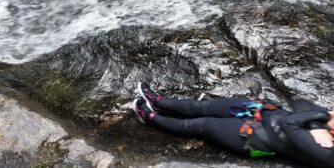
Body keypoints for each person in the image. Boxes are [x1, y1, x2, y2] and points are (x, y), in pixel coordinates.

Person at [133, 81, 334, 167]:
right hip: (260, 111)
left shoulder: (327, 155)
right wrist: (317, 125)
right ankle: (158, 101)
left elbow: (290, 124)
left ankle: (151, 118)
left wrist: (322, 118)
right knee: (204, 107)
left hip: (255, 137)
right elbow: (300, 103)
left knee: (200, 125)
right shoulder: (324, 130)